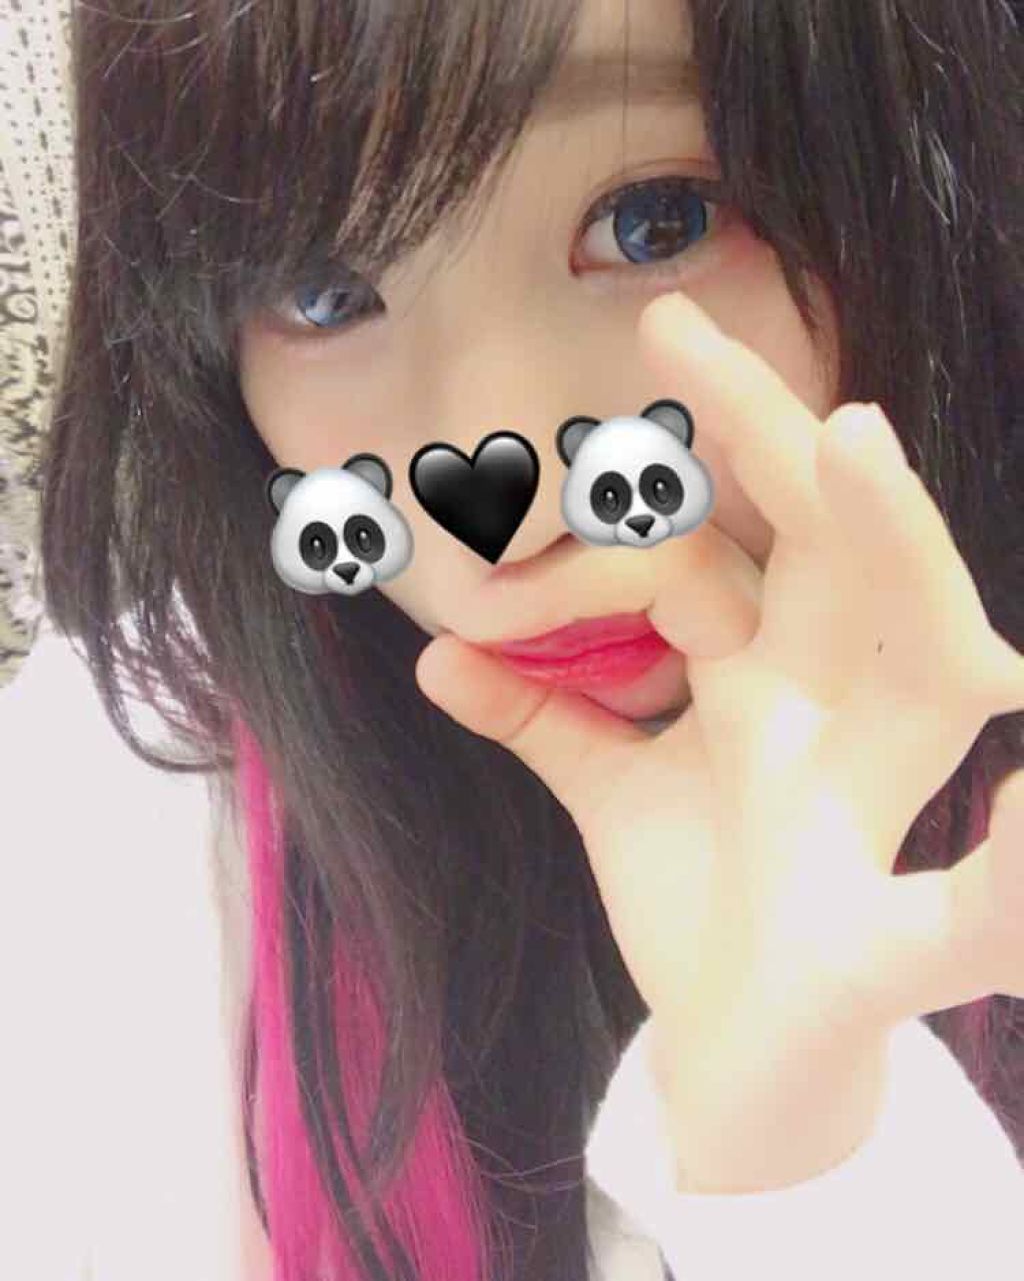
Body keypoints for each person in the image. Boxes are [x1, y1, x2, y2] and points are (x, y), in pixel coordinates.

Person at [2, 0, 1023, 1278]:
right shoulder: (126, 789)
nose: (513, 518)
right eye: (323, 294)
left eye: (658, 221)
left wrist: (816, 1169)